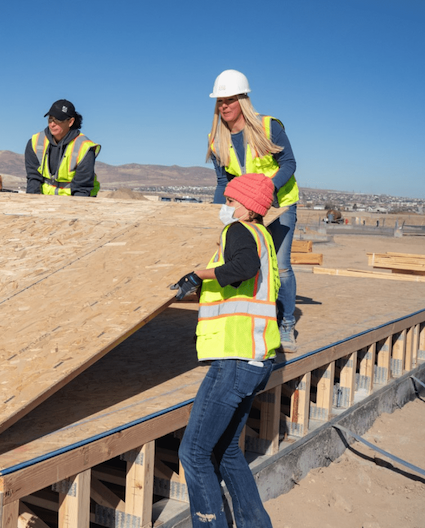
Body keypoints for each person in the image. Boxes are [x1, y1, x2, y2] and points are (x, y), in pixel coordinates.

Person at [171, 173, 280, 528]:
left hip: (236, 358)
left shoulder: (239, 231)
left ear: (248, 207)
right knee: (227, 450)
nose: (225, 207)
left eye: (231, 201)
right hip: (255, 357)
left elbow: (242, 268)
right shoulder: (263, 235)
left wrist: (197, 275)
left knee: (194, 452)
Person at [206, 69, 299, 352]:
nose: (224, 106)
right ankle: (257, 321)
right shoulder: (216, 138)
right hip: (246, 212)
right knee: (248, 264)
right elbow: (224, 181)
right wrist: (218, 213)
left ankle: (286, 325)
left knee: (281, 266)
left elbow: (289, 164)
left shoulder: (268, 127)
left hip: (279, 205)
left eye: (230, 100)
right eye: (220, 101)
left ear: (243, 100)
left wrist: (266, 191)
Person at [25, 99, 100, 197]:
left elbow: (82, 189)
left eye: (58, 120)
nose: (52, 124)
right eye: (50, 119)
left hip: (76, 200)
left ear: (70, 122)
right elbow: (33, 180)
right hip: (44, 200)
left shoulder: (84, 148)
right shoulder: (35, 142)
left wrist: (75, 210)